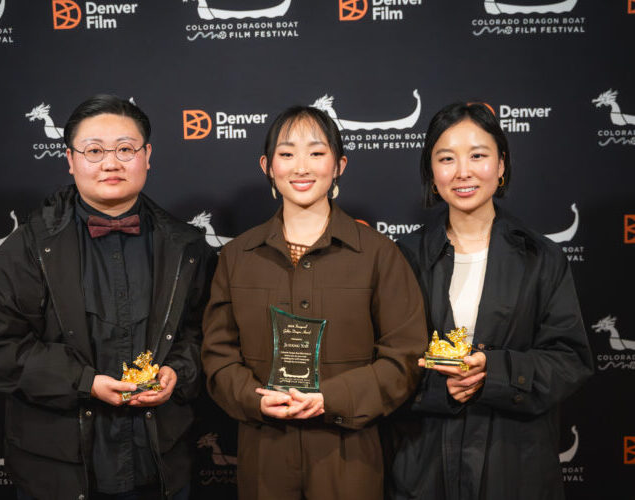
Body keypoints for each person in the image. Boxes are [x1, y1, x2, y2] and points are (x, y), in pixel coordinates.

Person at [0, 95, 216, 500]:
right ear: (70, 159)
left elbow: (205, 333)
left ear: (147, 155)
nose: (111, 163)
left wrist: (179, 371)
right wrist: (86, 383)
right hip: (57, 473)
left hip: (159, 467)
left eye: (125, 149)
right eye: (94, 151)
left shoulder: (186, 247)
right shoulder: (27, 248)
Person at [201, 105, 427, 500]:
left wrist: (333, 399)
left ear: (339, 164)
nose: (301, 167)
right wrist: (255, 399)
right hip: (263, 452)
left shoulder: (378, 254)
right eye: (287, 154)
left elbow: (405, 357)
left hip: (351, 452)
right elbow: (217, 356)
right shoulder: (237, 256)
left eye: (316, 153)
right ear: (267, 165)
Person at [391, 102, 593, 500]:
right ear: (432, 173)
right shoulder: (403, 257)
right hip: (424, 470)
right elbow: (382, 360)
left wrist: (494, 372)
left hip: (515, 468)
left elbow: (570, 360)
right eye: (446, 158)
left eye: (478, 156)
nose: (463, 171)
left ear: (501, 166)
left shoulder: (541, 258)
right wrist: (437, 390)